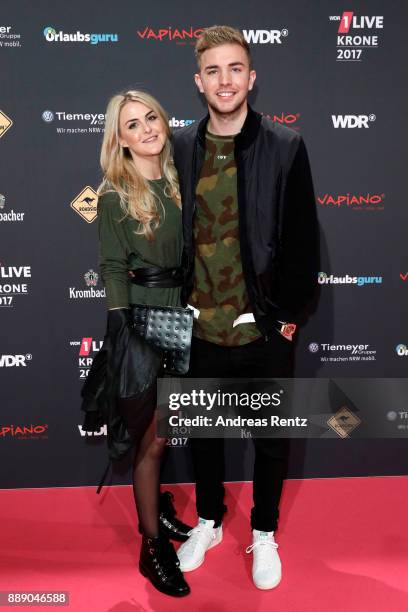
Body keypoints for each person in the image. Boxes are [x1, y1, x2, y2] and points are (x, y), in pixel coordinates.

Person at [172, 26, 319, 589]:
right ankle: (208, 521)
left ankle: (263, 532)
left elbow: (303, 241)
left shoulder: (285, 146)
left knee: (269, 438)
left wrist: (285, 318)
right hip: (199, 327)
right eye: (213, 70)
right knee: (204, 436)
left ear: (251, 78)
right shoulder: (182, 148)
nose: (225, 80)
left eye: (235, 68)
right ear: (198, 82)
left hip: (262, 326)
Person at [82, 90, 191, 597]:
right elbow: (111, 267)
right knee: (149, 441)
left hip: (184, 317)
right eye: (132, 125)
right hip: (145, 322)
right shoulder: (114, 195)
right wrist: (121, 325)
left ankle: (158, 512)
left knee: (167, 430)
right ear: (119, 140)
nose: (146, 128)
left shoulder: (178, 179)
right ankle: (152, 547)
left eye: (151, 117)